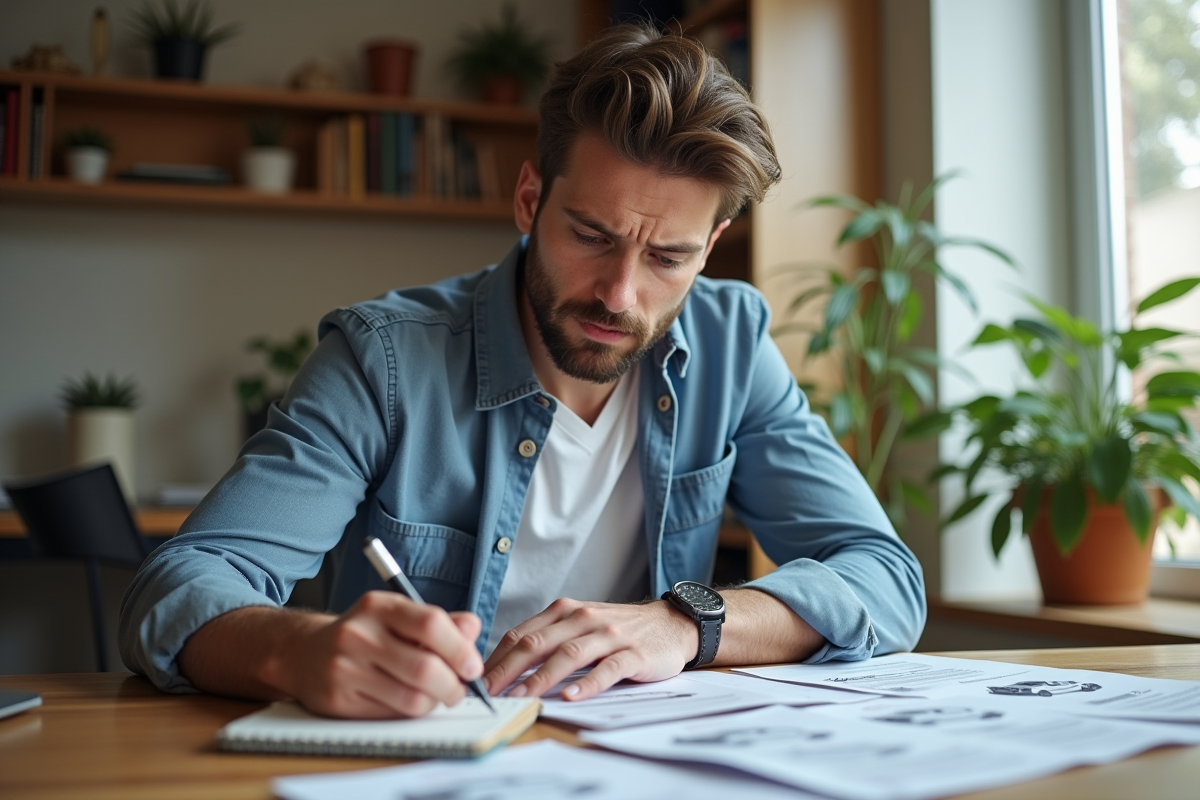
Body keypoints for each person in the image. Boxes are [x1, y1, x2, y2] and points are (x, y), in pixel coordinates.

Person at [119, 23, 925, 720]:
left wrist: (687, 623)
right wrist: (298, 652)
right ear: (530, 197)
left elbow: (885, 578)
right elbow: (179, 586)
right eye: (591, 234)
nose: (620, 293)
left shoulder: (732, 344)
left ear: (709, 250)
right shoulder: (385, 360)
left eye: (668, 257)